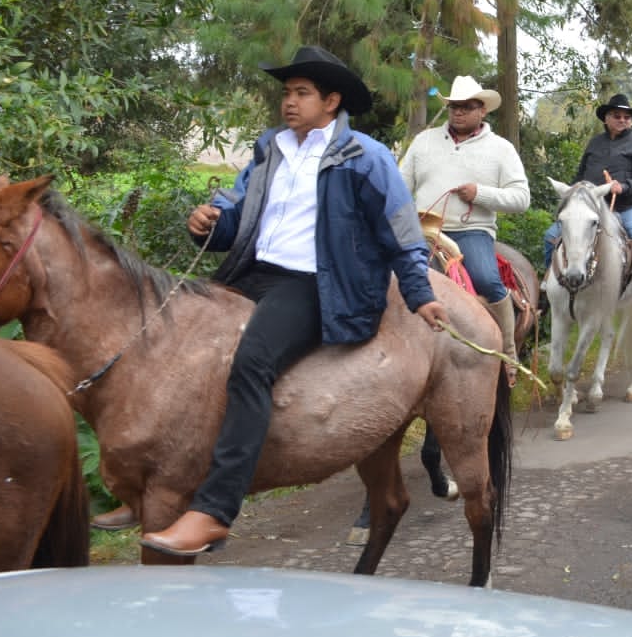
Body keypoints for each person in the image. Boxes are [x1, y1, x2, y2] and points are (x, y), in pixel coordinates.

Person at [140, 46, 447, 557]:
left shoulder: (365, 157)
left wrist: (420, 294)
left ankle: (214, 512)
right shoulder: (271, 148)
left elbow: (402, 233)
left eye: (301, 93)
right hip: (252, 272)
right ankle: (154, 480)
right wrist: (210, 223)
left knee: (251, 364)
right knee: (177, 344)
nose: (289, 101)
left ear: (331, 101)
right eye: (286, 92)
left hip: (313, 284)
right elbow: (238, 214)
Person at [399, 75, 531, 385]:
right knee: (399, 281)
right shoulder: (424, 141)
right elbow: (399, 187)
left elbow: (521, 198)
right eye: (454, 107)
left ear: (482, 110)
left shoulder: (501, 149)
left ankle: (508, 353)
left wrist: (480, 194)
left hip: (471, 230)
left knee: (487, 279)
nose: (458, 112)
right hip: (423, 231)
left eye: (466, 107)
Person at [541, 93, 632, 320]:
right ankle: (548, 289)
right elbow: (580, 175)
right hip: (588, 210)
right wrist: (573, 193)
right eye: (617, 115)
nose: (622, 120)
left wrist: (623, 186)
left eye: (627, 117)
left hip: (623, 209)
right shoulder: (594, 143)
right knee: (551, 236)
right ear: (606, 118)